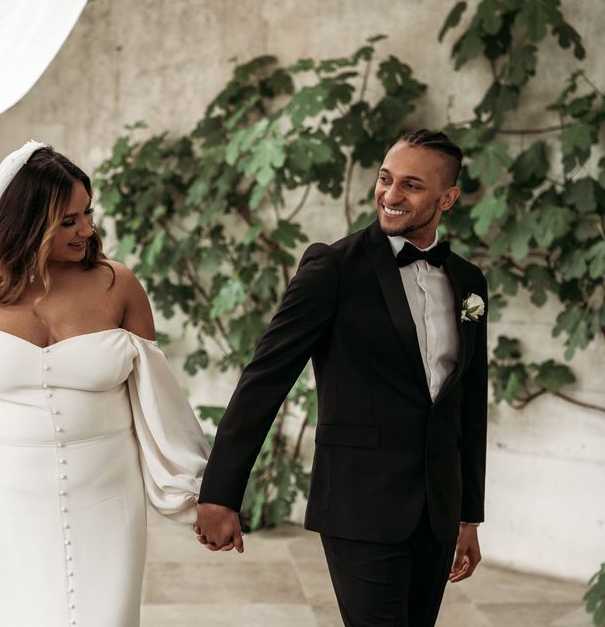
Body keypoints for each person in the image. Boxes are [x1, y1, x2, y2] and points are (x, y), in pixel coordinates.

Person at [0, 141, 209, 627]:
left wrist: (199, 494)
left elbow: (161, 407)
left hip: (107, 495)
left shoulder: (118, 285)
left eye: (87, 213)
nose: (86, 229)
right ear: (25, 222)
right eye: (68, 220)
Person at [194, 129, 488, 627]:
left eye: (412, 186)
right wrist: (220, 493)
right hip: (360, 504)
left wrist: (468, 515)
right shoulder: (332, 268)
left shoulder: (467, 281)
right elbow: (265, 378)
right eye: (385, 179)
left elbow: (469, 401)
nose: (391, 195)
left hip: (437, 510)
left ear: (448, 198)